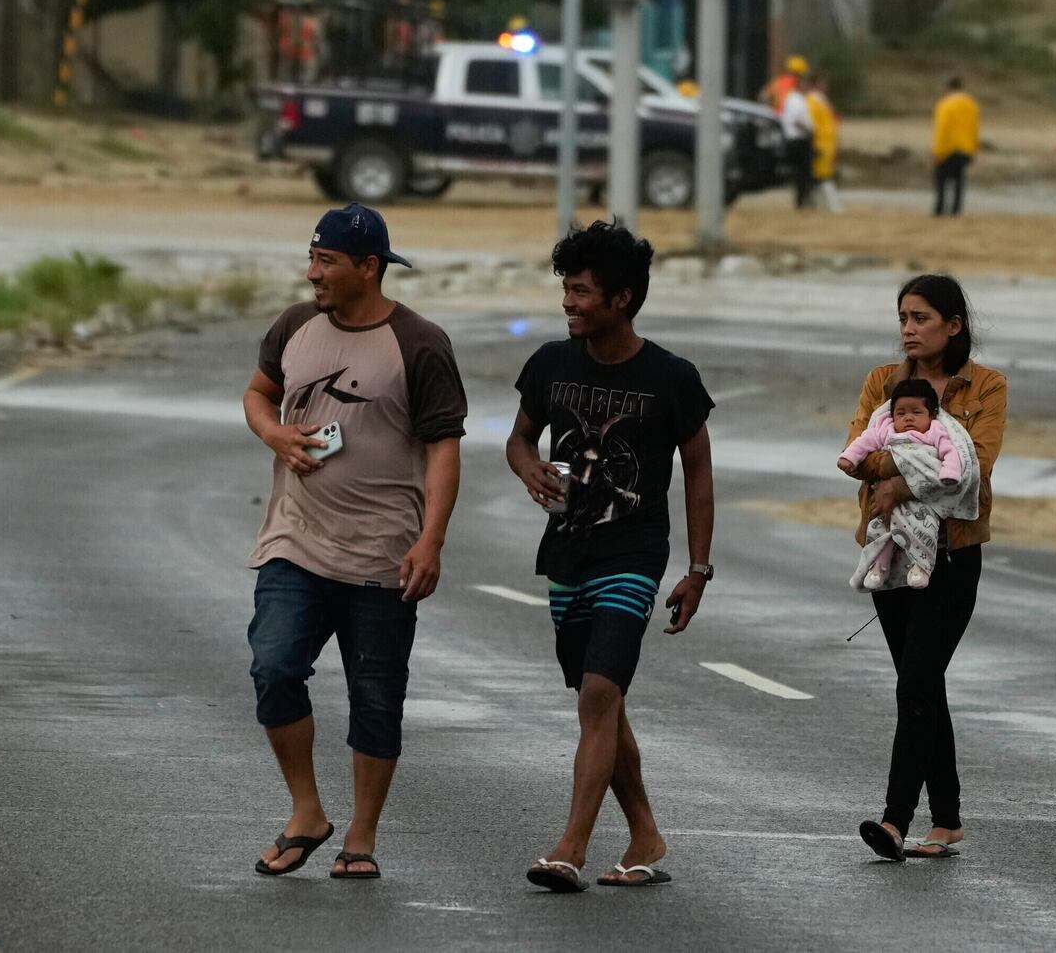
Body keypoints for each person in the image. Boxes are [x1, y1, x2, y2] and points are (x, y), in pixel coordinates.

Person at [244, 203, 467, 883]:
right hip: (294, 541)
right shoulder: (294, 326)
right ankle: (306, 811)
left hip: (381, 554)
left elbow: (444, 449)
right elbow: (259, 393)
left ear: (367, 267)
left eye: (327, 261)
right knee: (274, 666)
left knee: (377, 697)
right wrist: (275, 432)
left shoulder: (420, 341)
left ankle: (361, 837)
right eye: (311, 258)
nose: (313, 272)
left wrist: (431, 540)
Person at [506, 222, 715, 893]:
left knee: (600, 692)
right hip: (566, 553)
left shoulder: (670, 377)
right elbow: (516, 439)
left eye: (581, 291)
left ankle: (569, 846)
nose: (568, 302)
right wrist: (527, 468)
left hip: (633, 552)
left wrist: (697, 568)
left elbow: (699, 472)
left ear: (621, 299)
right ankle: (647, 832)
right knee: (602, 702)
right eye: (565, 289)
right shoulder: (549, 363)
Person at [845, 276, 1004, 864]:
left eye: (921, 318)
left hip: (953, 555)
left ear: (953, 326)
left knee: (914, 683)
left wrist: (896, 475)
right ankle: (948, 821)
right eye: (903, 318)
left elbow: (973, 466)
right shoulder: (880, 383)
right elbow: (856, 451)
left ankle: (893, 821)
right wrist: (897, 469)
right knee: (923, 684)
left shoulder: (986, 387)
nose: (908, 330)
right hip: (889, 553)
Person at [837, 374, 969, 591]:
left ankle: (921, 565)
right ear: (891, 415)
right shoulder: (884, 430)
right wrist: (848, 458)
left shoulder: (935, 432)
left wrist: (950, 473)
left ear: (931, 414)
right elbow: (863, 442)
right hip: (887, 500)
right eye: (901, 413)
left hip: (921, 498)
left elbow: (950, 453)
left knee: (924, 527)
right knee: (884, 528)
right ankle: (879, 566)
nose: (908, 418)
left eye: (916, 412)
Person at [931, 75, 979, 217]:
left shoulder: (945, 105)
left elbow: (942, 128)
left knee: (941, 179)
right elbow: (974, 128)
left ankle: (939, 209)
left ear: (948, 87)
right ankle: (956, 210)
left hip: (947, 147)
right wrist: (973, 149)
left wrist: (937, 150)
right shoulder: (971, 105)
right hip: (965, 148)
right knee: (959, 179)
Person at [806, 75, 845, 213]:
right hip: (820, 143)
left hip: (827, 143)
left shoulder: (822, 101)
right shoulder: (812, 102)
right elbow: (811, 124)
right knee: (822, 176)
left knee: (820, 176)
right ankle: (832, 206)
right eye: (823, 83)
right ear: (815, 84)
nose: (826, 86)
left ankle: (817, 204)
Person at [778, 78, 818, 209]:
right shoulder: (796, 101)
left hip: (796, 138)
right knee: (803, 171)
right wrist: (809, 130)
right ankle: (801, 200)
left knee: (801, 172)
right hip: (799, 139)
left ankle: (802, 198)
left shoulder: (793, 99)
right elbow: (797, 120)